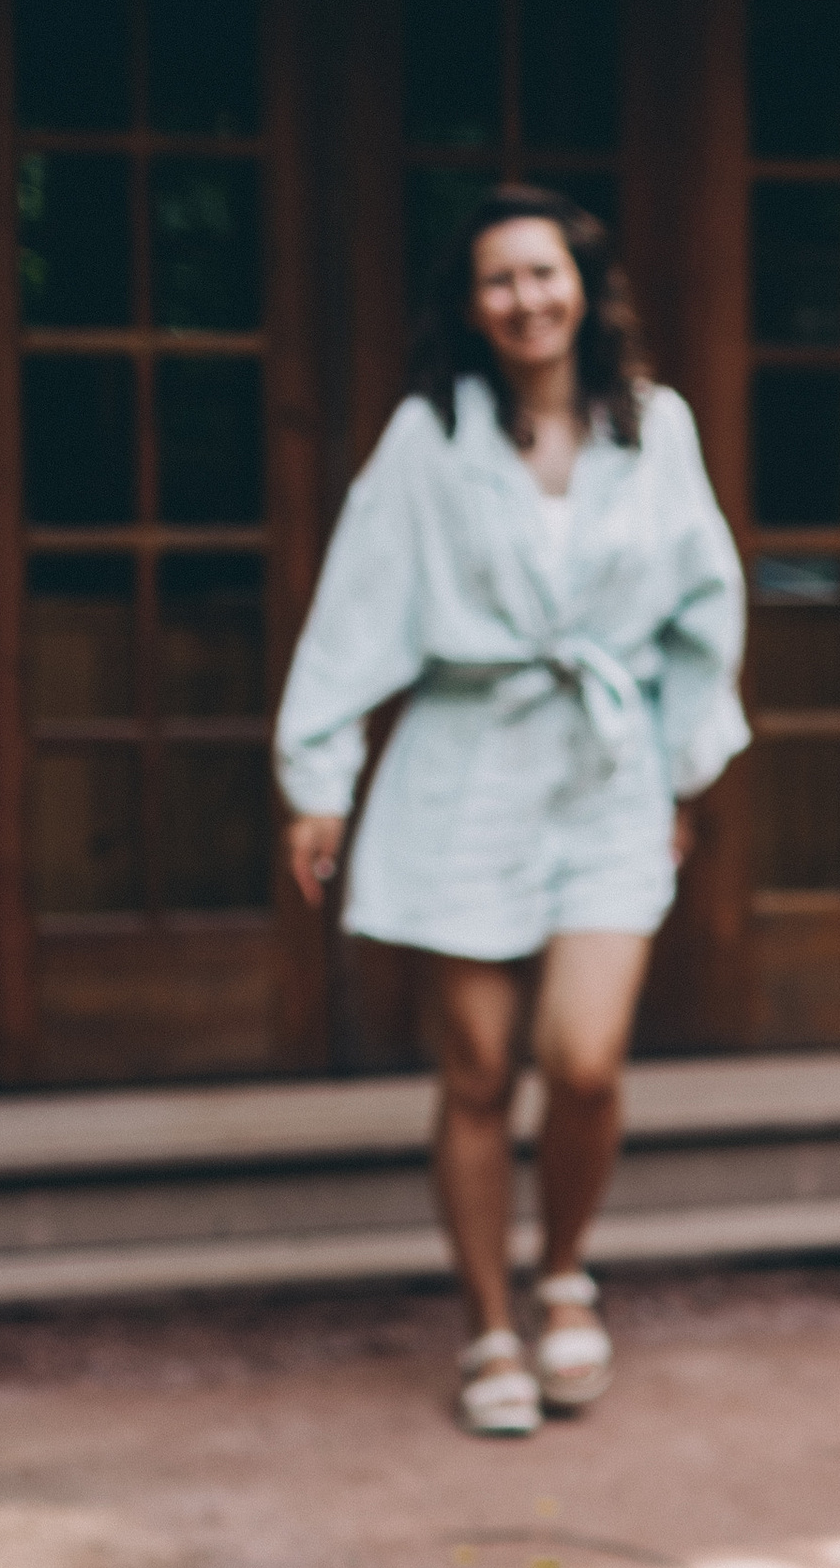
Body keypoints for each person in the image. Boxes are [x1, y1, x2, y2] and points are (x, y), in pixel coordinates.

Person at [273, 187, 747, 1438]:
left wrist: (682, 772)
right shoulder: (431, 439)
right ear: (470, 307)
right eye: (499, 281)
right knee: (478, 1069)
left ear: (584, 287)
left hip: (605, 773)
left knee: (582, 1059)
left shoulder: (656, 428)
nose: (526, 300)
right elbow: (357, 607)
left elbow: (708, 605)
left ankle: (566, 1271)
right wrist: (318, 781)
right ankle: (489, 1321)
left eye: (545, 274)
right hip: (461, 767)